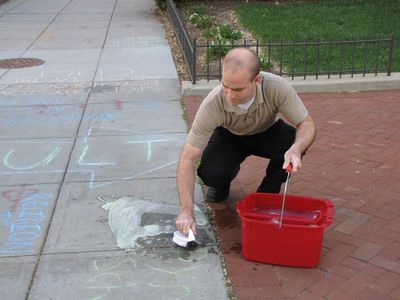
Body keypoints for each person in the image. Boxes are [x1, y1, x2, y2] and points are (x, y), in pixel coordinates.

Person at [176, 47, 316, 235]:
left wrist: (297, 148)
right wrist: (186, 211)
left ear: (256, 80)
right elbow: (187, 158)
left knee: (291, 140)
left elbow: (306, 124)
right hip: (231, 135)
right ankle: (221, 184)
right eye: (225, 86)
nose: (230, 95)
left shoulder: (276, 87)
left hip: (268, 131)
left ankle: (265, 198)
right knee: (211, 172)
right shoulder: (213, 103)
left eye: (238, 89)